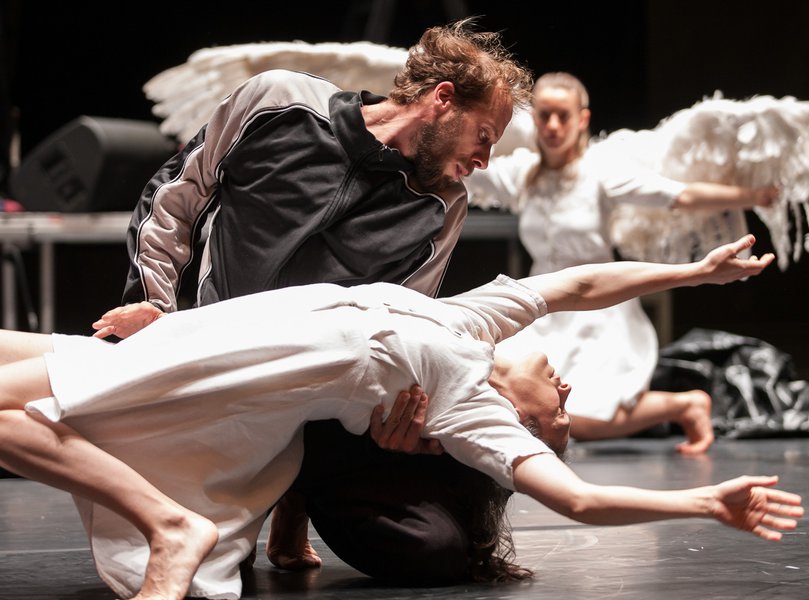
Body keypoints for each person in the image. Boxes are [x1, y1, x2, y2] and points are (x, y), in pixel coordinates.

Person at [0, 235, 803, 600]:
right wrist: (693, 273)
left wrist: (704, 502)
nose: (565, 386)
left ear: (517, 426)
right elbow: (579, 285)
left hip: (218, 382)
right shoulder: (473, 324)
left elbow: (580, 501)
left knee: (13, 415)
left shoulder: (467, 401)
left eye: (560, 412)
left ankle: (171, 527)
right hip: (213, 338)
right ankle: (172, 522)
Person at [89, 17, 533, 584]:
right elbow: (175, 199)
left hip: (316, 406)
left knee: (436, 551)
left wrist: (391, 423)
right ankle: (259, 500)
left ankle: (296, 499)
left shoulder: (440, 206)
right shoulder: (280, 101)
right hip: (212, 378)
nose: (485, 161)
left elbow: (396, 326)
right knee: (200, 572)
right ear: (443, 99)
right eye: (485, 137)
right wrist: (156, 308)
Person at [465, 71, 780, 454]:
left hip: (598, 306)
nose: (552, 125)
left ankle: (686, 405)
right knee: (510, 395)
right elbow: (466, 174)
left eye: (562, 115)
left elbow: (677, 195)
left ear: (582, 119)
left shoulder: (598, 171)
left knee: (586, 420)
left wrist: (751, 196)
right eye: (544, 114)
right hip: (543, 307)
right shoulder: (524, 173)